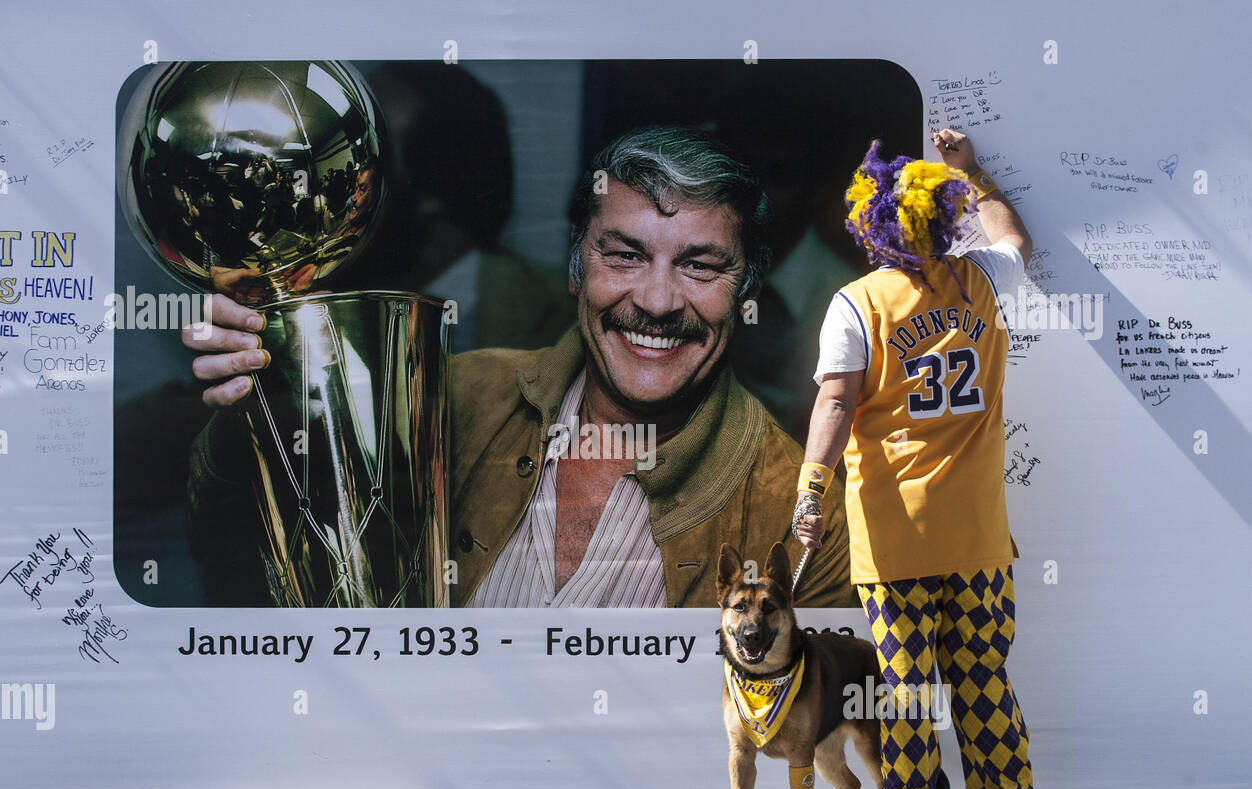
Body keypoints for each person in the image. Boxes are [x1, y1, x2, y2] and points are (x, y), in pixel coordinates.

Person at [183, 125, 857, 608]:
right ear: (575, 268)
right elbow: (233, 552)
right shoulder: (455, 395)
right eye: (623, 255)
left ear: (746, 292)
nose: (656, 301)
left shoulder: (804, 519)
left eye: (701, 265)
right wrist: (258, 417)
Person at [792, 128, 1035, 789]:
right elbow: (1016, 237)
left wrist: (810, 494)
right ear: (942, 217)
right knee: (982, 676)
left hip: (895, 533)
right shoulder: (984, 279)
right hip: (979, 534)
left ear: (871, 223)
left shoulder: (857, 303)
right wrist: (973, 172)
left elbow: (835, 403)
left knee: (904, 682)